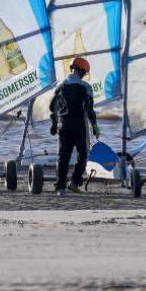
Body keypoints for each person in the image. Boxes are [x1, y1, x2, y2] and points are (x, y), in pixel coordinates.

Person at [48, 56, 100, 196]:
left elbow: (53, 107)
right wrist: (94, 125)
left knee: (63, 156)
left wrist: (54, 124)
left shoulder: (60, 85)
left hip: (63, 125)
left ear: (72, 68)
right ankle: (74, 183)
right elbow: (89, 108)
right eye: (85, 72)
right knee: (83, 155)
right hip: (79, 126)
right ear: (82, 71)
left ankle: (60, 188)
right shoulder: (86, 87)